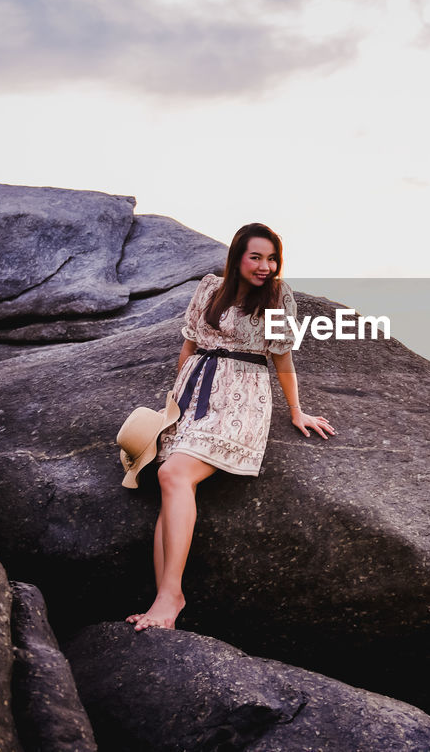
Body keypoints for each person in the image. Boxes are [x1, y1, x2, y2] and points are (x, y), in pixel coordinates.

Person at [126, 222, 335, 632]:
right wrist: (174, 405)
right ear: (237, 256)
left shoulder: (277, 296)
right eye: (255, 256)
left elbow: (283, 359)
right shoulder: (209, 288)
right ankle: (162, 599)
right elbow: (189, 345)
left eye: (271, 258)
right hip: (193, 396)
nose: (264, 265)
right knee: (171, 483)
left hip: (242, 399)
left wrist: (296, 411)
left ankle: (171, 598)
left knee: (172, 473)